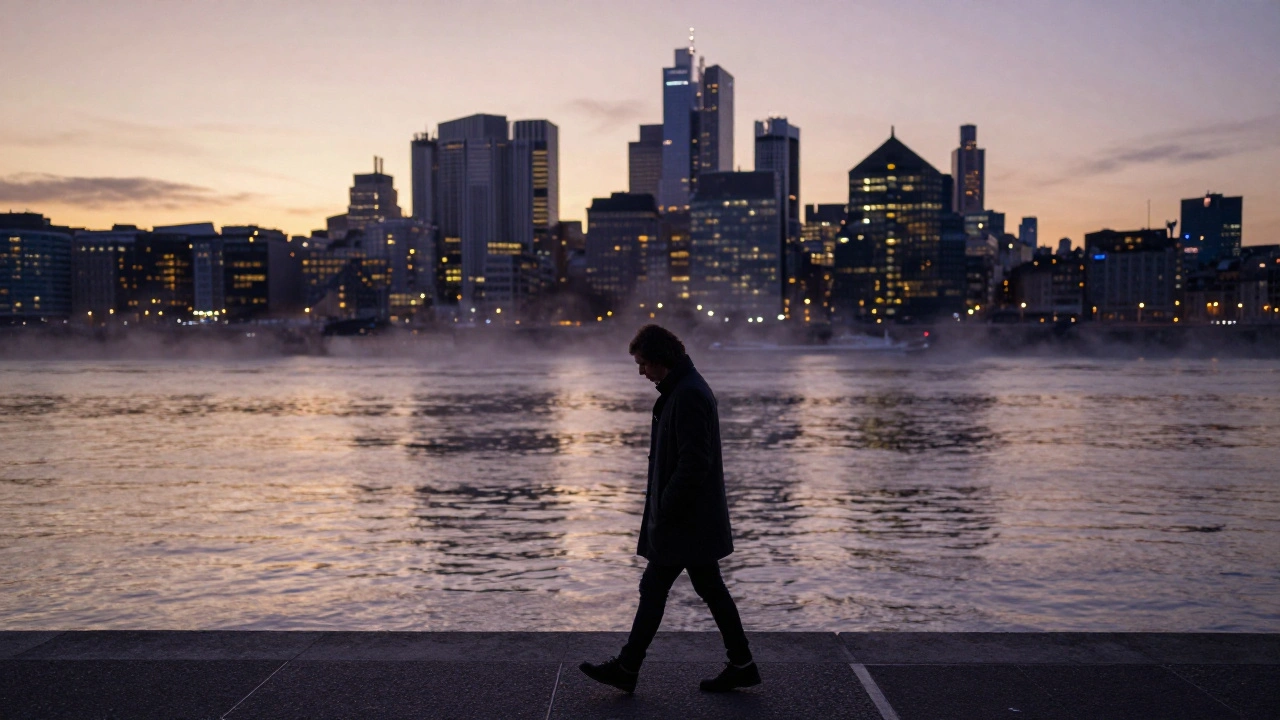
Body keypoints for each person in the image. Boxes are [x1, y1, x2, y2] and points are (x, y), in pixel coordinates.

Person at [580, 324, 759, 693]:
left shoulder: (688, 394)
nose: (641, 372)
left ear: (661, 360)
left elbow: (694, 462)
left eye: (643, 364)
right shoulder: (684, 388)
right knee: (705, 589)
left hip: (684, 520)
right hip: (691, 518)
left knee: (659, 587)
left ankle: (629, 667)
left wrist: (664, 506)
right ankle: (740, 662)